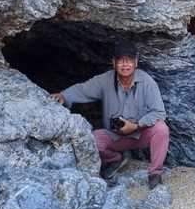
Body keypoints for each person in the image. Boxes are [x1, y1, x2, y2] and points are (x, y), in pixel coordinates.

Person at [51, 41, 168, 189]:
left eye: (129, 60)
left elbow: (159, 112)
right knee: (90, 139)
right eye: (120, 60)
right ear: (113, 62)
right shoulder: (105, 80)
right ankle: (115, 159)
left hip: (140, 133)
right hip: (116, 136)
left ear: (136, 62)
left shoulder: (147, 82)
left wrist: (137, 125)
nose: (125, 64)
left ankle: (155, 174)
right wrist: (64, 95)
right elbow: (84, 89)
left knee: (161, 129)